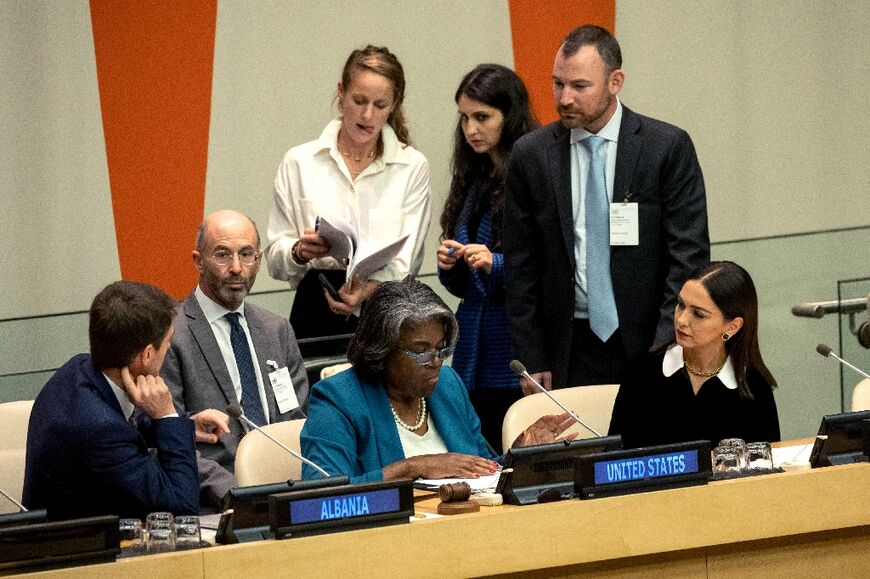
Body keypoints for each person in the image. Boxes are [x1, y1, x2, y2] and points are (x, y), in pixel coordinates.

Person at [503, 24, 710, 393]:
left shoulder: (665, 148)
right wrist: (532, 358)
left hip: (650, 341)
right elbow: (521, 268)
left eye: (580, 86)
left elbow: (687, 256)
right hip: (567, 349)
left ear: (615, 82)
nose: (565, 98)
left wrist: (669, 344)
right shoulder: (531, 155)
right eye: (557, 84)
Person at [300, 278, 576, 484]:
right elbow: (321, 497)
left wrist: (517, 457)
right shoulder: (337, 399)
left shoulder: (447, 384)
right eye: (420, 351)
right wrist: (411, 468)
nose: (436, 361)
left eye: (442, 348)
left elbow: (478, 469)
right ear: (380, 350)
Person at [265, 45, 431, 357]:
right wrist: (299, 251)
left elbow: (408, 259)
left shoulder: (411, 166)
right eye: (359, 100)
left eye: (380, 105)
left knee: (384, 404)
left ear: (394, 105)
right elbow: (274, 256)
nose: (368, 115)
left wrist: (370, 290)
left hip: (384, 307)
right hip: (317, 302)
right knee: (316, 402)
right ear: (341, 93)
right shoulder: (300, 162)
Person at [23, 281, 213, 520]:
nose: (169, 348)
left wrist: (183, 424)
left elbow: (130, 425)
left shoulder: (79, 368)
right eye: (168, 341)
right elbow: (181, 507)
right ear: (146, 354)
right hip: (77, 552)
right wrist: (167, 417)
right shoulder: (100, 429)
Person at [436, 64, 538, 452]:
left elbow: (545, 266)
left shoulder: (531, 173)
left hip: (510, 342)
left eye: (482, 117)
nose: (470, 129)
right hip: (472, 343)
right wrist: (452, 266)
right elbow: (466, 286)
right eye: (464, 118)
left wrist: (494, 263)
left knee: (511, 449)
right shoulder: (474, 177)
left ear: (509, 117)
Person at [162, 210, 309, 473]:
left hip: (286, 485)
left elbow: (297, 420)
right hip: (217, 495)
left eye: (246, 254)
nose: (236, 268)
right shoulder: (171, 335)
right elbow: (167, 441)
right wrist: (234, 493)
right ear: (198, 262)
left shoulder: (277, 329)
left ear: (259, 259)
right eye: (222, 255)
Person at [609, 261, 780, 449]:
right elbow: (613, 457)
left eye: (698, 314)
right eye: (681, 305)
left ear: (732, 327)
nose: (681, 320)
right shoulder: (644, 370)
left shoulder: (754, 387)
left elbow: (764, 470)